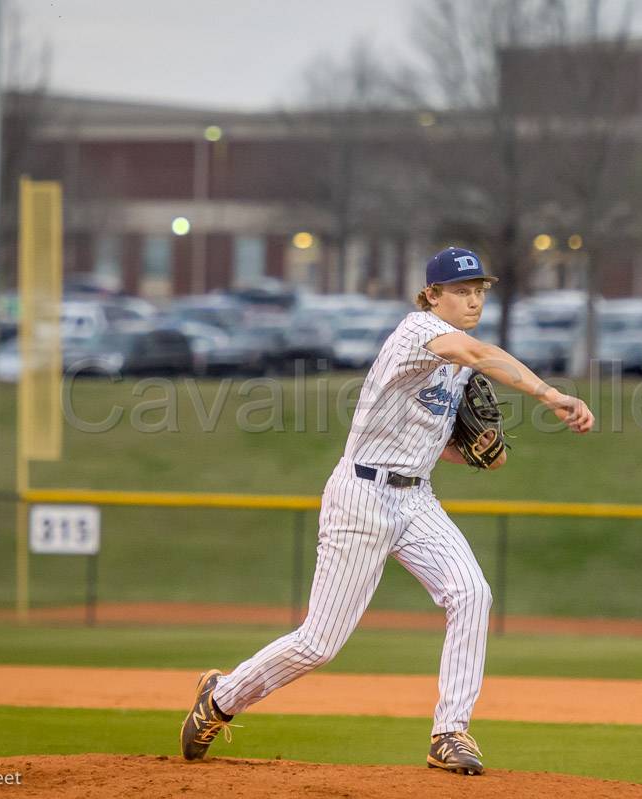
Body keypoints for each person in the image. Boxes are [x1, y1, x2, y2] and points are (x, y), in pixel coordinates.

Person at [180, 246, 594, 774]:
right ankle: (221, 697)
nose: (473, 301)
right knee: (319, 644)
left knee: (472, 593)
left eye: (479, 292)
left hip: (416, 497)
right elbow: (479, 355)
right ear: (432, 296)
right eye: (461, 292)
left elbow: (451, 437)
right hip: (362, 496)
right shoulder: (416, 334)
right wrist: (549, 394)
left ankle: (450, 732)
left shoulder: (458, 363)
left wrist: (479, 453)